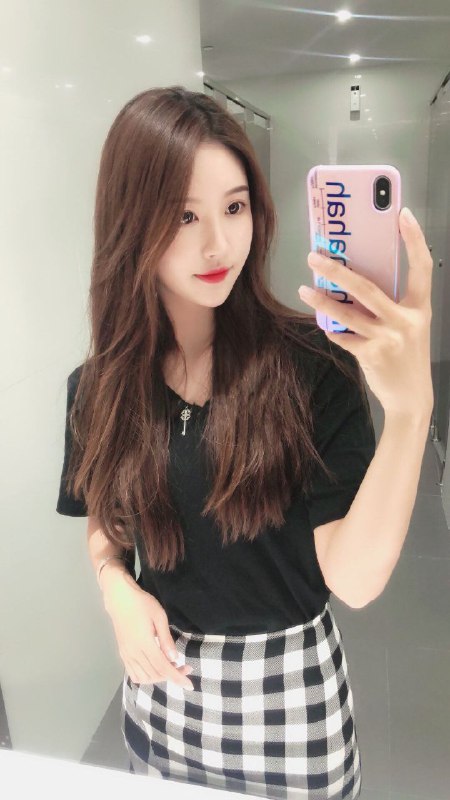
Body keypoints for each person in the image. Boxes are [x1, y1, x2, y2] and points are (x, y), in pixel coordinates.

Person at [56, 85, 378, 799]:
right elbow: (104, 522)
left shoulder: (311, 364)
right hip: (163, 696)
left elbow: (353, 580)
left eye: (234, 208)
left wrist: (413, 408)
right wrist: (115, 587)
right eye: (184, 215)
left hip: (292, 699)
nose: (217, 245)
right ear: (132, 221)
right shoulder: (99, 388)